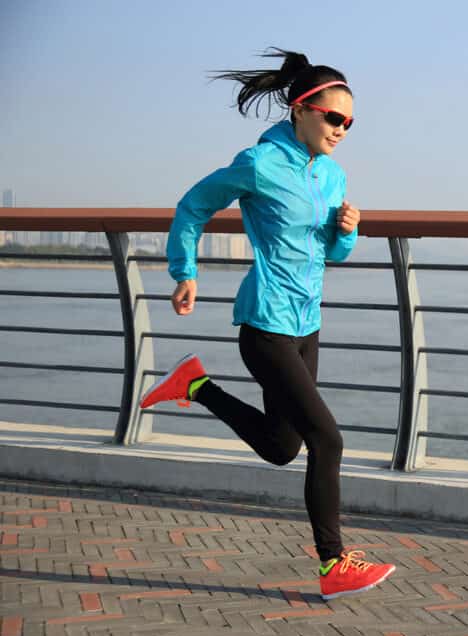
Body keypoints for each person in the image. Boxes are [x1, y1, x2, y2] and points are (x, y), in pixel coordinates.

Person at [139, 48, 396, 600]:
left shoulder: (332, 174)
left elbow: (331, 252)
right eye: (333, 118)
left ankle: (194, 384)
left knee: (283, 447)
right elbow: (192, 205)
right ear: (301, 110)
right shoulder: (260, 165)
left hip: (307, 325)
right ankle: (333, 564)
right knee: (328, 439)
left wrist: (347, 229)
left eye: (350, 122)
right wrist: (185, 272)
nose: (342, 129)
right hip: (265, 326)